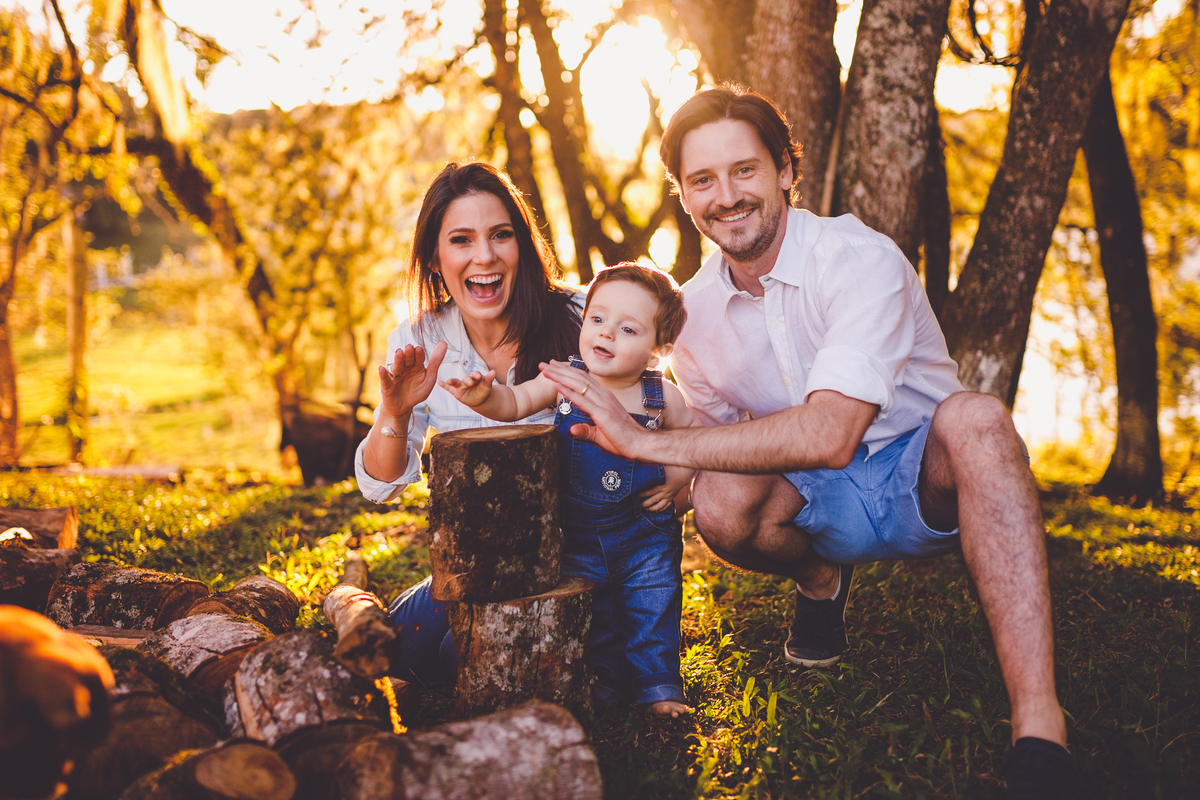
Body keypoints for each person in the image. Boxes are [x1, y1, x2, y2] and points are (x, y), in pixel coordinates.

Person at [540, 85, 1078, 797]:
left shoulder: (859, 258)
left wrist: (643, 446)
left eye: (745, 170)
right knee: (719, 502)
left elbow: (831, 432)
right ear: (684, 195)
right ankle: (820, 579)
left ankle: (1038, 720)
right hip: (814, 497)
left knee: (978, 418)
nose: (726, 196)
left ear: (786, 170)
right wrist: (645, 468)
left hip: (920, 473)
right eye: (702, 180)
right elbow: (713, 440)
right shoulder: (692, 314)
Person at [354, 159, 583, 679]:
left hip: (576, 562)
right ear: (435, 259)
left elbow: (654, 407)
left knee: (452, 660)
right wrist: (396, 411)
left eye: (501, 234)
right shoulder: (419, 339)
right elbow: (380, 485)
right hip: (480, 565)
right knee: (400, 653)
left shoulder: (584, 316)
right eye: (461, 240)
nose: (485, 256)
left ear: (522, 244)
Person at [442, 263, 696, 718]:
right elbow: (516, 402)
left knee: (654, 607)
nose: (606, 333)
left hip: (646, 537)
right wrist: (486, 398)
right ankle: (607, 688)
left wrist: (678, 478)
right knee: (595, 617)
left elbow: (691, 440)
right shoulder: (564, 379)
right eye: (597, 319)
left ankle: (659, 688)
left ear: (659, 352)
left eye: (628, 329)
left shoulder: (661, 397)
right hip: (575, 537)